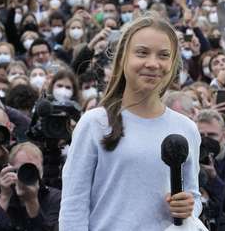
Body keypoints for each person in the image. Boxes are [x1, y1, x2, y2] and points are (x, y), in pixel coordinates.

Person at [59, 14, 202, 230]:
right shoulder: (94, 123)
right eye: (142, 53)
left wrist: (188, 205)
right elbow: (73, 206)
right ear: (123, 58)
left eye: (164, 55)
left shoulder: (187, 128)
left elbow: (193, 194)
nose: (153, 64)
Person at [0, 142, 61, 230]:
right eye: (23, 169)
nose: (28, 175)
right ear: (10, 170)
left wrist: (32, 201)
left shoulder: (55, 197)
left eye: (33, 169)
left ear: (42, 171)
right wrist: (4, 198)